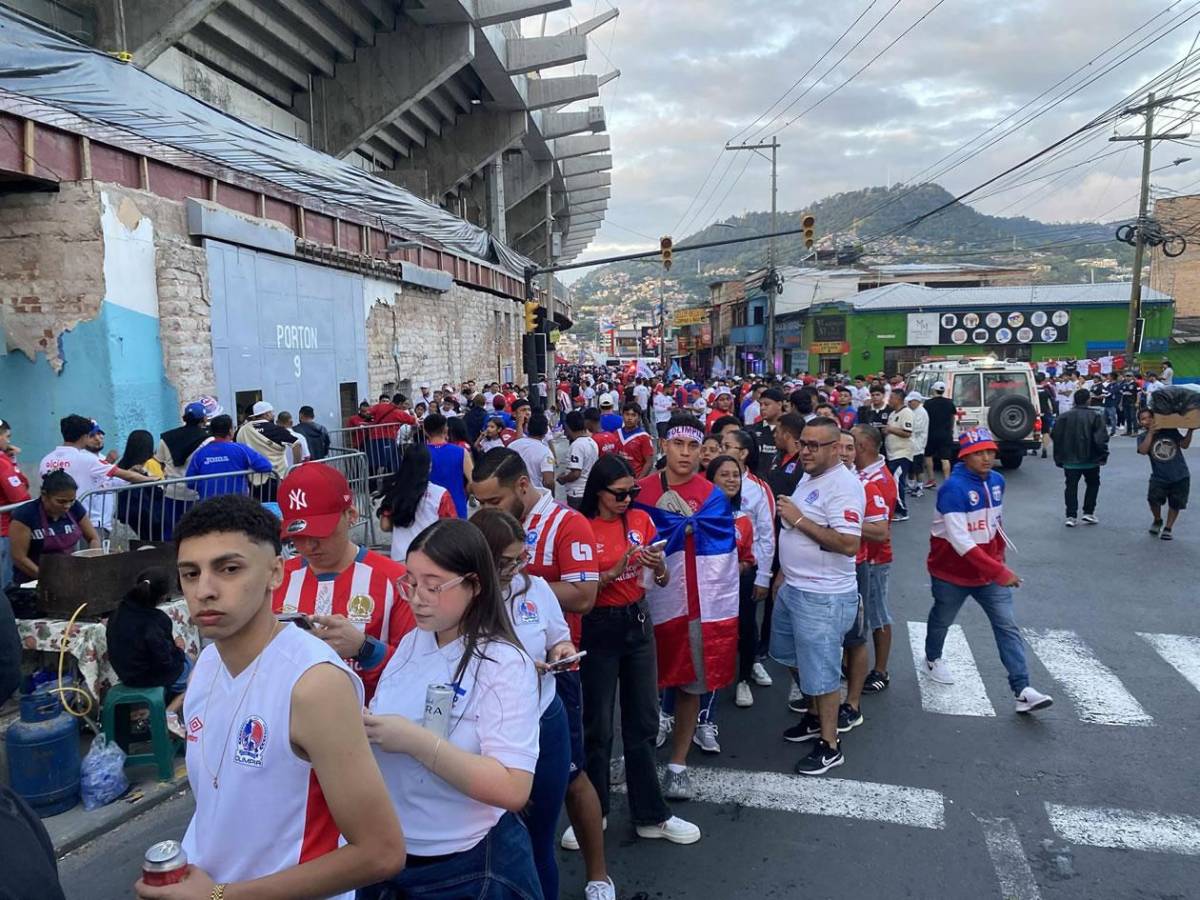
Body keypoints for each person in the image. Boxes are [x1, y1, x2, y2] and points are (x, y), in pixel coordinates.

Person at [136, 494, 405, 900]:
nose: (205, 590)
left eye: (229, 569)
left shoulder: (313, 683)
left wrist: (220, 897)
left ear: (275, 573)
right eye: (190, 574)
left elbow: (381, 853)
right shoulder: (208, 663)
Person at [358, 519, 542, 900]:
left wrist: (415, 741)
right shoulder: (413, 642)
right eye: (410, 581)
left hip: (464, 863)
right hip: (393, 851)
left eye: (433, 585)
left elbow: (513, 787)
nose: (417, 597)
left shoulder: (503, 663)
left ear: (474, 585)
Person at [469, 448, 612, 899]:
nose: (483, 508)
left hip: (546, 700)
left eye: (491, 501)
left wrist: (561, 648)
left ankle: (597, 875)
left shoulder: (562, 535)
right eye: (480, 503)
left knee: (563, 793)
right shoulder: (463, 597)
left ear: (521, 487)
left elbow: (579, 603)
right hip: (489, 721)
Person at [578, 454, 702, 844]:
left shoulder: (641, 521)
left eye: (632, 491)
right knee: (597, 726)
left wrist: (657, 564)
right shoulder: (580, 528)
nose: (628, 499)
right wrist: (614, 571)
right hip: (598, 625)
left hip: (637, 621)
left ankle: (650, 813)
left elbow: (660, 579)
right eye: (619, 494)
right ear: (598, 492)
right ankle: (592, 812)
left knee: (644, 722)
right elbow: (577, 589)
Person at [472, 507, 577, 900]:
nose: (517, 568)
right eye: (506, 561)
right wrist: (514, 668)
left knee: (539, 838)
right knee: (491, 841)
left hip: (544, 720)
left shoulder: (534, 588)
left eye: (522, 557)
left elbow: (558, 636)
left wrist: (562, 650)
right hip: (487, 732)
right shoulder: (463, 597)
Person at [633, 415, 739, 799]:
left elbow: (721, 538)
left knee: (690, 684)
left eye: (693, 446)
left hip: (694, 603)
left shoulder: (711, 495)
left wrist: (683, 526)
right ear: (665, 446)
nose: (686, 453)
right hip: (644, 602)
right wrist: (680, 527)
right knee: (640, 686)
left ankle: (678, 762)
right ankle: (639, 754)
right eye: (678, 444)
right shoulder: (640, 491)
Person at [923, 428, 1055, 715]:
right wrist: (999, 570)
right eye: (979, 453)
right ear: (965, 456)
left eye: (990, 451)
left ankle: (1022, 689)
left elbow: (995, 525)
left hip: (988, 575)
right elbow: (960, 540)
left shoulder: (997, 481)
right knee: (942, 618)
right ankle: (933, 657)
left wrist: (999, 559)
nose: (986, 458)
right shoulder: (952, 488)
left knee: (1007, 626)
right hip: (951, 572)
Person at [274, 465, 415, 702]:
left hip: (370, 729)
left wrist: (365, 649)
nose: (309, 546)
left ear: (351, 514)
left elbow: (418, 670)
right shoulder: (275, 579)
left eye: (321, 533)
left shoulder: (397, 580)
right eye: (297, 536)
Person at [772, 417, 865, 775]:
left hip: (823, 596)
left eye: (813, 445)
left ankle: (830, 744)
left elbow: (848, 543)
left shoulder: (843, 485)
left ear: (834, 449)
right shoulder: (812, 476)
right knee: (788, 656)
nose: (804, 450)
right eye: (803, 443)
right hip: (795, 587)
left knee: (823, 673)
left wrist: (798, 520)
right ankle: (812, 716)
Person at [718, 430, 776, 699]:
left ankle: (745, 674)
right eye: (721, 445)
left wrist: (763, 576)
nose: (722, 449)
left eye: (727, 446)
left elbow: (766, 534)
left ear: (743, 453)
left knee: (746, 622)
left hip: (745, 570)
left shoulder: (758, 488)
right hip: (715, 572)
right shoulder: (709, 481)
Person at [105, 567, 190, 738]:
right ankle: (169, 713)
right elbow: (164, 661)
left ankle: (152, 712)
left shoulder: (118, 611)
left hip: (125, 673)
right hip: (147, 676)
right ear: (161, 597)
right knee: (194, 674)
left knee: (184, 664)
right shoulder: (156, 620)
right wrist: (179, 650)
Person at [852, 425, 897, 696]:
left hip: (875, 559)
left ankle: (881, 670)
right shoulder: (862, 474)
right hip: (862, 556)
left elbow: (880, 528)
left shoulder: (880, 480)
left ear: (864, 447)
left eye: (851, 443)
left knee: (877, 612)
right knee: (862, 613)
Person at [9, 471, 101, 584]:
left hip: (68, 575)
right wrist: (46, 579)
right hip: (31, 581)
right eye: (60, 501)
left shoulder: (75, 508)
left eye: (71, 501)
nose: (67, 506)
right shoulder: (25, 515)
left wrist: (93, 558)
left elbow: (93, 538)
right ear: (44, 496)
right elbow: (19, 557)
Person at [379, 444, 460, 562]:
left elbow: (385, 526)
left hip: (399, 558)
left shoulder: (394, 490)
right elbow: (451, 529)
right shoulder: (440, 494)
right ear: (429, 466)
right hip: (429, 558)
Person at [1051, 389, 1109, 527]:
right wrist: (1103, 454)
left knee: (1071, 486)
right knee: (1093, 484)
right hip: (1091, 459)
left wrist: (1059, 457)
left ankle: (1071, 515)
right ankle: (1088, 512)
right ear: (1088, 400)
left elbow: (1056, 436)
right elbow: (1101, 439)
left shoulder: (1063, 417)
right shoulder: (1095, 416)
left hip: (1070, 459)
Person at [185, 414, 274, 499]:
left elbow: (190, 482)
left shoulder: (200, 453)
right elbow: (266, 466)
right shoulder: (241, 449)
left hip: (209, 505)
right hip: (237, 503)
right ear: (230, 430)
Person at [1137, 409, 1193, 540]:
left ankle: (1168, 528)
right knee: (1153, 500)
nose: (1147, 421)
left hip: (1180, 474)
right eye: (1143, 419)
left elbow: (1184, 445)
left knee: (1175, 503)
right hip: (1159, 476)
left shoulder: (1170, 431)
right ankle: (1157, 520)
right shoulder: (1142, 437)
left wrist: (1190, 431)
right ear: (1140, 423)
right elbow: (1143, 450)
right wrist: (1151, 433)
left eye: (1149, 417)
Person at [235, 401, 298, 501]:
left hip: (252, 477)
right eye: (272, 412)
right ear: (266, 414)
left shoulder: (242, 430)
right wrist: (295, 466)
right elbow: (297, 444)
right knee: (276, 506)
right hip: (275, 476)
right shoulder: (276, 429)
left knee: (258, 507)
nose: (273, 414)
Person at [0, 419, 31, 592]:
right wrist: (11, 463)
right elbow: (19, 495)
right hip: (3, 530)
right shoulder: (2, 462)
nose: (9, 441)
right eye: (7, 436)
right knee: (5, 588)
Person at [424, 413, 473, 518]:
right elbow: (473, 480)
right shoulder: (461, 452)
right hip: (456, 505)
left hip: (428, 508)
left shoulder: (419, 453)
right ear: (446, 429)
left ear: (425, 431)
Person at [882, 390, 914, 522]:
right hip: (892, 454)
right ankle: (895, 508)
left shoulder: (906, 413)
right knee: (893, 482)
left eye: (892, 397)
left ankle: (902, 510)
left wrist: (890, 429)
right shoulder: (893, 414)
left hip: (902, 453)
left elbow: (907, 432)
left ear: (899, 399)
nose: (889, 400)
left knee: (897, 482)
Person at [559, 411, 599, 511]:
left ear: (568, 427)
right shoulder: (592, 442)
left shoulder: (577, 446)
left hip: (577, 493)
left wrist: (563, 479)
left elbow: (576, 473)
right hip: (589, 490)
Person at [510, 414, 556, 491]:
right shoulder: (546, 451)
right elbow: (548, 481)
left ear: (528, 428)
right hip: (535, 495)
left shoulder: (512, 445)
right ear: (545, 431)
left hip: (515, 492)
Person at [923, 381, 956, 484]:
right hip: (945, 434)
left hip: (931, 433)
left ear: (934, 390)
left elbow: (925, 418)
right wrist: (950, 430)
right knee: (945, 458)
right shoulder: (949, 403)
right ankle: (947, 480)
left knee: (928, 456)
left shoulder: (928, 403)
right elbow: (953, 418)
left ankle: (931, 479)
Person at [616, 402, 656, 478]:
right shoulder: (617, 433)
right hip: (618, 479)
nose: (629, 418)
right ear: (622, 415)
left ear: (639, 418)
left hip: (635, 479)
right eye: (627, 414)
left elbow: (649, 462)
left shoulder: (644, 437)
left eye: (633, 415)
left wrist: (639, 481)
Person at [907, 392, 929, 498]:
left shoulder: (921, 412)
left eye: (911, 401)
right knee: (911, 468)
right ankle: (912, 486)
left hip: (918, 444)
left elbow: (917, 427)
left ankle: (920, 487)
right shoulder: (913, 410)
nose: (909, 403)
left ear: (917, 401)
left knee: (918, 468)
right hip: (911, 444)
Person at [1035, 373, 1056, 459]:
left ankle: (1034, 449)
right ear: (1043, 380)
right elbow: (1052, 400)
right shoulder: (1046, 390)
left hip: (1034, 412)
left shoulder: (1032, 389)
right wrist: (1054, 411)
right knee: (1045, 431)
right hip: (1045, 412)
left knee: (1035, 430)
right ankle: (1044, 448)